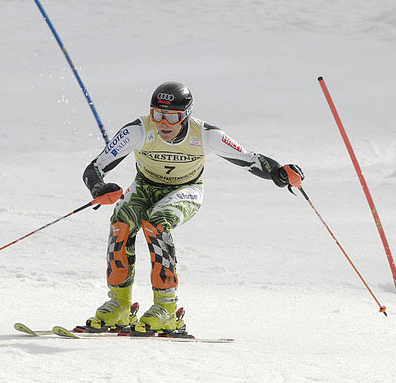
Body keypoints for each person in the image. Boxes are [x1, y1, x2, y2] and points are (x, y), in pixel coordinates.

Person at [82, 81, 304, 335]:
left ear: (185, 115)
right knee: (121, 221)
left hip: (185, 190)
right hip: (145, 187)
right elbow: (95, 168)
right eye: (157, 114)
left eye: (172, 117)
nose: (163, 123)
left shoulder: (206, 135)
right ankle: (119, 304)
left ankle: (166, 309)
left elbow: (250, 160)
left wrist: (280, 173)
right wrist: (98, 188)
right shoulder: (139, 130)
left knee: (156, 224)